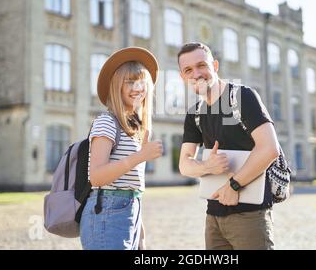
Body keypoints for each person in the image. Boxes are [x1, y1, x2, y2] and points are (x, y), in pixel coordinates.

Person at [178, 42, 280, 250]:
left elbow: (269, 148)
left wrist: (234, 185)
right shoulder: (194, 114)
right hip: (213, 216)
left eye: (201, 65)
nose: (196, 73)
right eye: (188, 70)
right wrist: (207, 167)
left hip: (249, 215)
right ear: (183, 77)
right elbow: (184, 164)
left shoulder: (243, 97)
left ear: (215, 66)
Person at [80, 47, 163, 250]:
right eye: (130, 82)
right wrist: (140, 156)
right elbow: (97, 177)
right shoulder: (106, 122)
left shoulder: (136, 130)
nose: (138, 87)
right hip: (106, 212)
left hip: (129, 212)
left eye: (142, 81)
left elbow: (134, 189)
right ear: (117, 86)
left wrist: (140, 236)